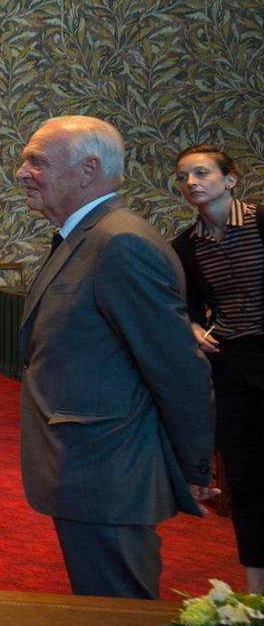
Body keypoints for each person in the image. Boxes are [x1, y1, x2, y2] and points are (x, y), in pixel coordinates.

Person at [14, 115, 214, 598]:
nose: (21, 172)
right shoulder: (85, 235)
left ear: (87, 171)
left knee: (122, 625)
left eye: (36, 162)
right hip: (86, 468)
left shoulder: (120, 242)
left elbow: (177, 368)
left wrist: (193, 468)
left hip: (109, 472)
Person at [171, 143, 264, 592]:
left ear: (229, 180)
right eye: (184, 176)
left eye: (202, 173)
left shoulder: (261, 222)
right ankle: (255, 593)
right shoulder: (185, 246)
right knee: (246, 481)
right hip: (232, 366)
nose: (191, 182)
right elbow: (185, 305)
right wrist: (191, 327)